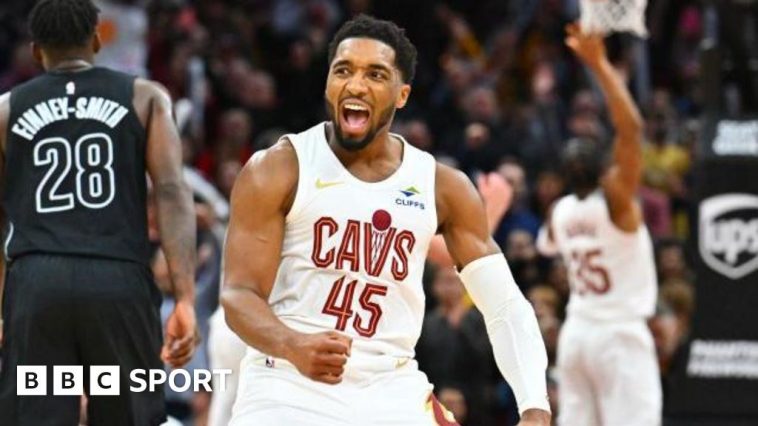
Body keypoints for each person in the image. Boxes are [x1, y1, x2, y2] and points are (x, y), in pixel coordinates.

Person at [221, 15, 550, 426]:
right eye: (343, 70)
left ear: (402, 95)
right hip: (289, 383)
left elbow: (503, 305)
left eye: (375, 74)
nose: (355, 85)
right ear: (328, 83)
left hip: (390, 386)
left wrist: (535, 409)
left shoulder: (441, 186)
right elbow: (238, 295)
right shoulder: (279, 168)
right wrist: (292, 345)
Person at [0, 1, 198, 424]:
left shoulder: (4, 111)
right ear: (95, 41)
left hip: (37, 283)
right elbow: (171, 191)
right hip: (117, 279)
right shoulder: (145, 97)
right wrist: (184, 296)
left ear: (36, 51)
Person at [537, 24, 661, 426]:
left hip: (578, 335)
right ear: (604, 171)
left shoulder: (560, 212)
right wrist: (599, 64)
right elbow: (632, 130)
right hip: (618, 337)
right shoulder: (616, 204)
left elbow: (547, 247)